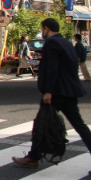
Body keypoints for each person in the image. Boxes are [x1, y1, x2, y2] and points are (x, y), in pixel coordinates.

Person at [12, 18, 91, 170]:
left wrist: (48, 91)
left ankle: (32, 158)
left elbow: (52, 68)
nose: (42, 32)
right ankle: (33, 157)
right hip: (69, 91)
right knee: (80, 126)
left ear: (46, 29)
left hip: (55, 92)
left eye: (43, 29)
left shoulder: (51, 43)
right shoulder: (67, 43)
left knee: (41, 122)